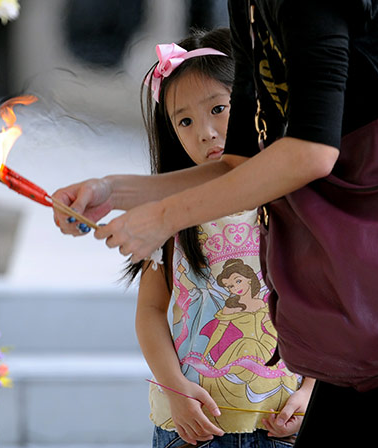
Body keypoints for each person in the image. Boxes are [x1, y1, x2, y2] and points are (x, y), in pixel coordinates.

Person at [53, 1, 378, 446]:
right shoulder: (247, 8)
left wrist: (163, 216)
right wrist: (113, 191)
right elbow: (242, 163)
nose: (206, 130)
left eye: (217, 109)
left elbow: (311, 152)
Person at [128, 29, 313, 447]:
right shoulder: (172, 212)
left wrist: (310, 392)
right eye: (186, 120)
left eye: (219, 108)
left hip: (281, 423)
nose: (206, 132)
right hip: (191, 427)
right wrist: (174, 389)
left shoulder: (291, 204)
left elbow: (322, 303)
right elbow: (151, 311)